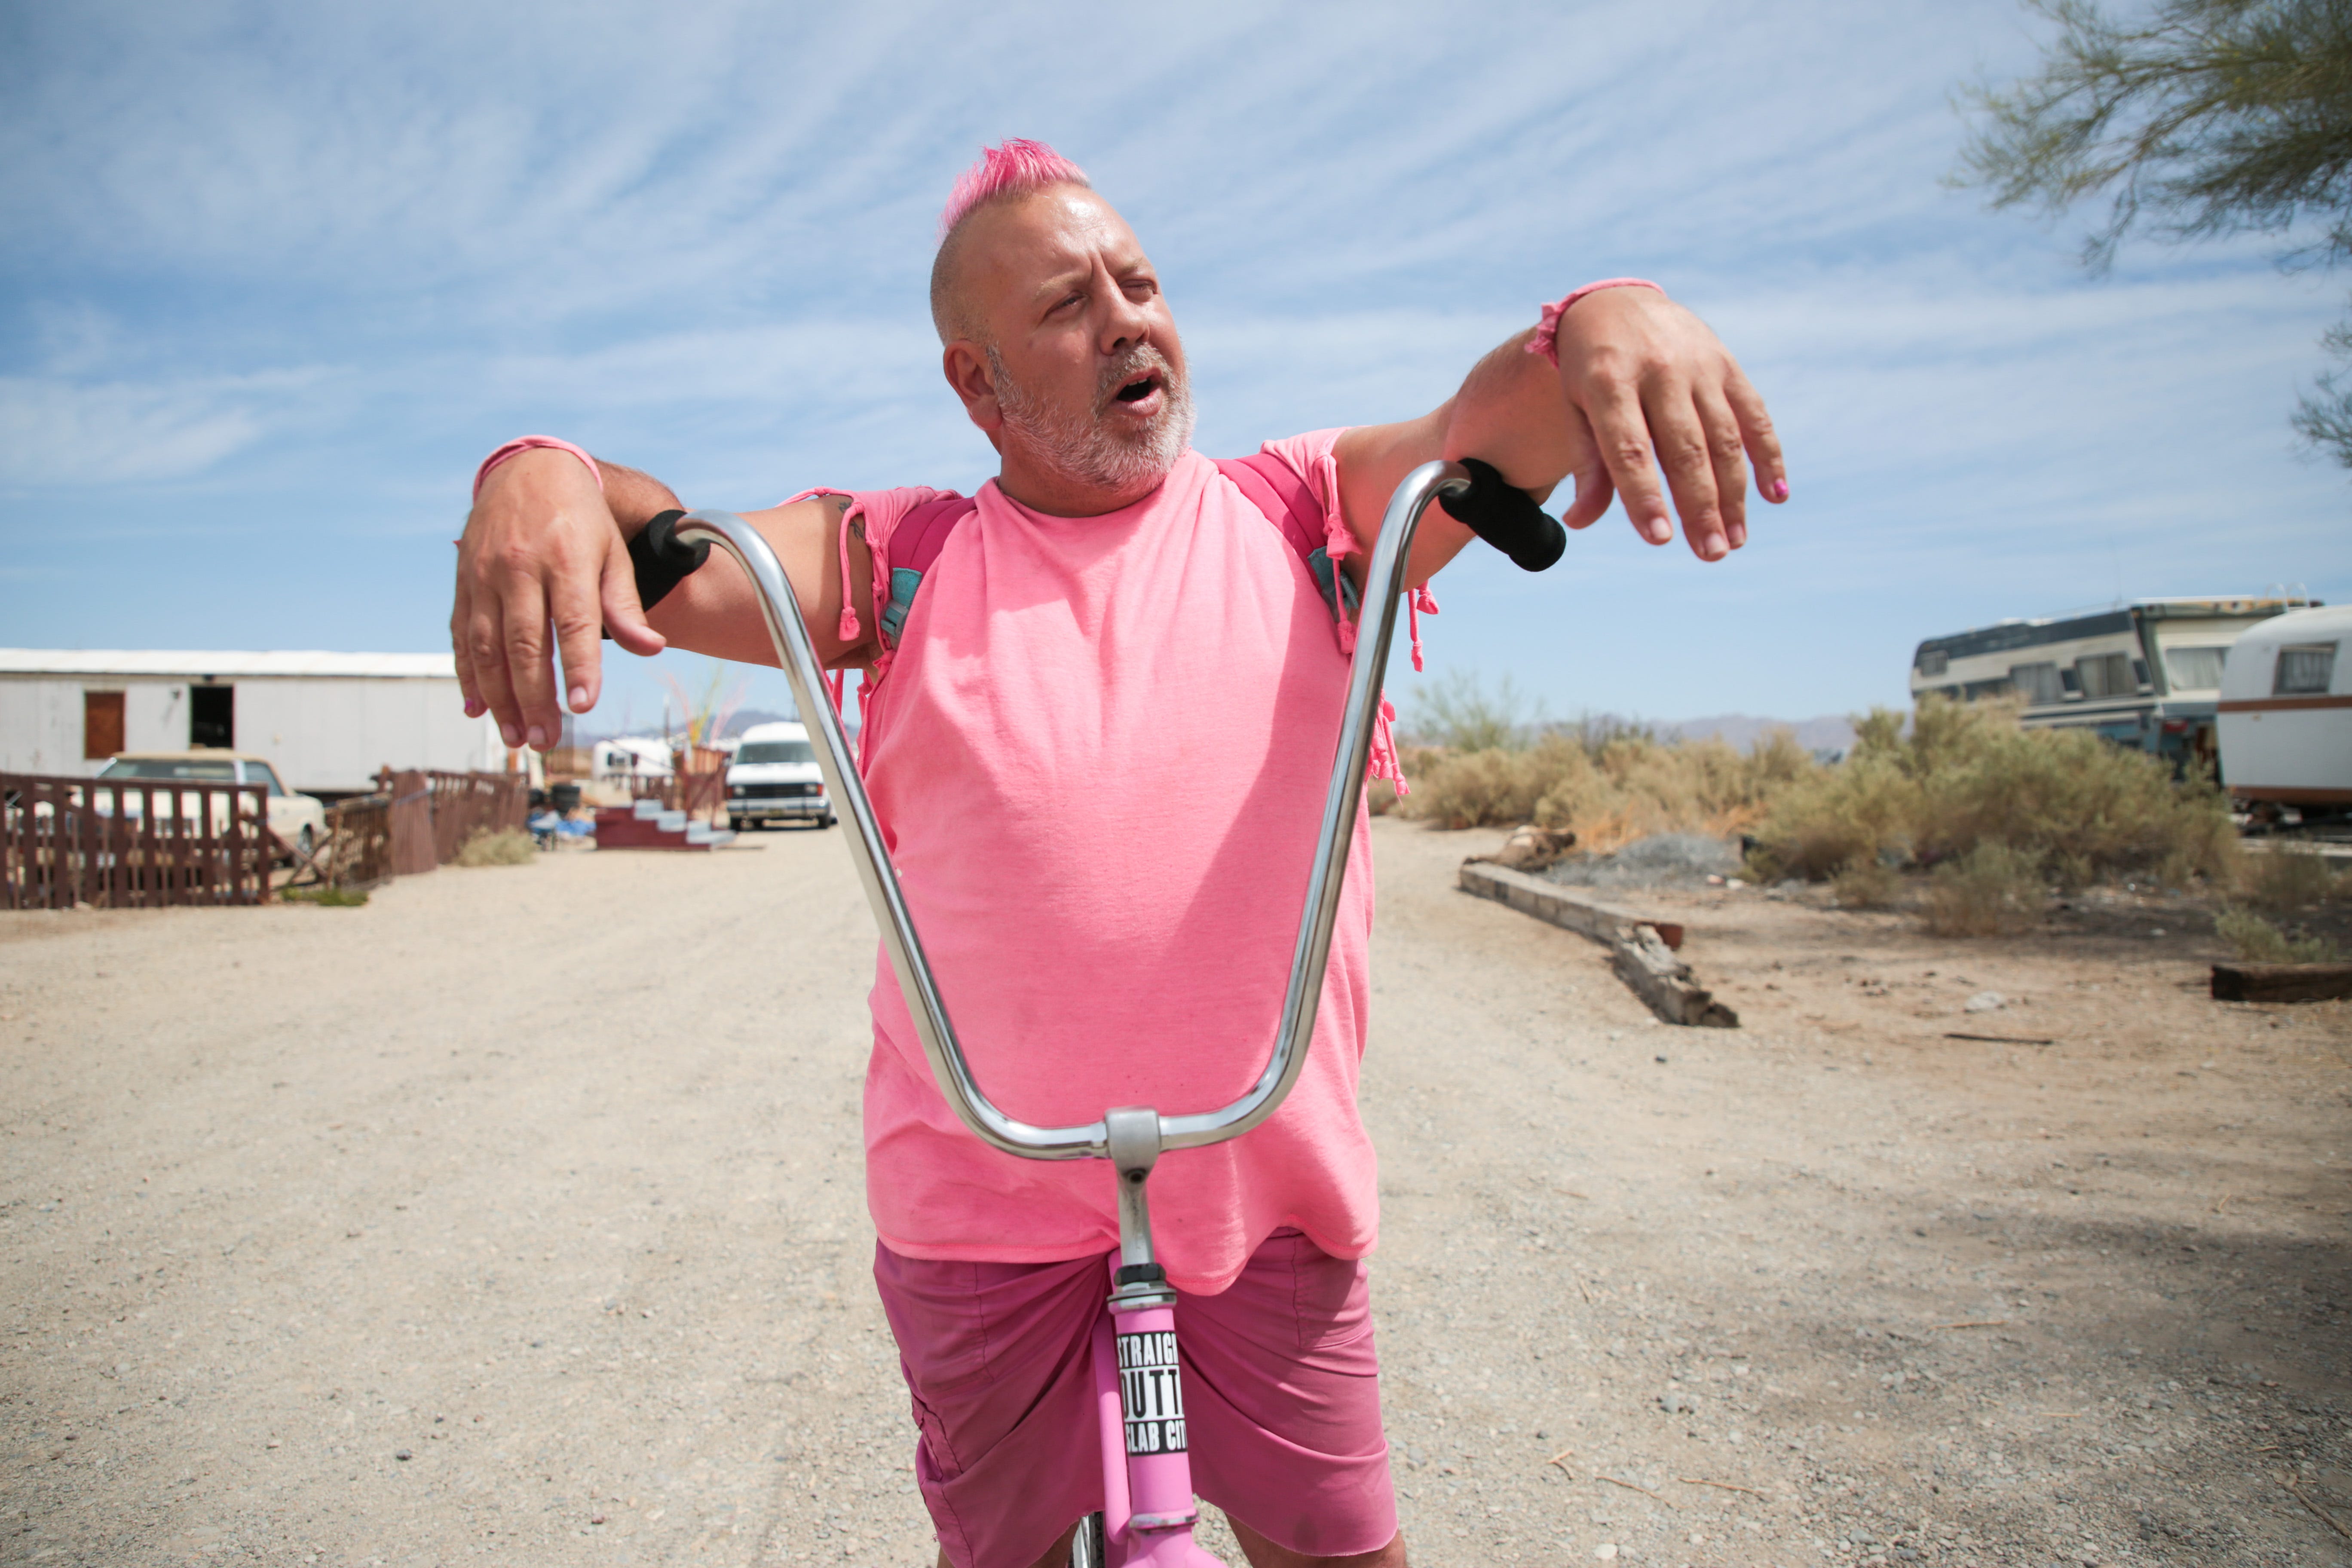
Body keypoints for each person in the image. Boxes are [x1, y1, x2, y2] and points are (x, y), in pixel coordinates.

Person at [453, 140, 1785, 1568]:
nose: (1128, 318)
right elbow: (679, 547)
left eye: (1139, 282)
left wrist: (1596, 320)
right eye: (1070, 305)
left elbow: (1486, 431)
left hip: (1260, 1196)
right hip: (979, 1205)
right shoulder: (898, 563)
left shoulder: (1307, 515)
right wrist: (549, 472)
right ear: (980, 385)